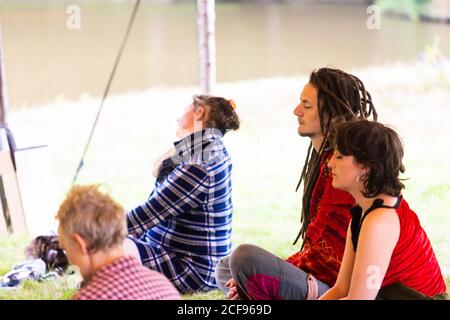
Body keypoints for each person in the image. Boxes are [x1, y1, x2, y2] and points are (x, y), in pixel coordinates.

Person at [215, 67, 378, 300]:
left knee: (244, 258)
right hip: (327, 278)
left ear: (331, 113)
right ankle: (250, 293)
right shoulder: (326, 161)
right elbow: (314, 248)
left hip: (346, 287)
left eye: (307, 105)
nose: (296, 111)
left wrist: (260, 277)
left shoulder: (345, 169)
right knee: (227, 265)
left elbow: (328, 260)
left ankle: (251, 293)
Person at [124, 95, 240, 294]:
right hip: (184, 257)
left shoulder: (201, 161)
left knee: (108, 249)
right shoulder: (206, 149)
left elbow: (151, 212)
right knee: (114, 240)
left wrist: (98, 233)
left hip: (192, 269)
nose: (178, 118)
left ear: (199, 112)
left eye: (184, 109)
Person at [320, 120, 447, 300]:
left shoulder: (380, 220)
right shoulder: (365, 211)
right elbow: (341, 289)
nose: (330, 163)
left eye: (339, 156)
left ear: (365, 167)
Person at [55, 184, 180, 300]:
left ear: (81, 244)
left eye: (66, 250)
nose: (70, 263)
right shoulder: (163, 285)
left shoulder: (88, 297)